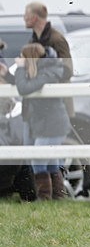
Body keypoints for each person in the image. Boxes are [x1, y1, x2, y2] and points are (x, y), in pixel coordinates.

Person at [14, 44, 72, 199]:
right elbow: (22, 84)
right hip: (41, 123)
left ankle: (45, 197)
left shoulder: (49, 72)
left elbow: (24, 88)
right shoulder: (39, 71)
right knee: (51, 161)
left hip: (53, 124)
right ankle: (57, 198)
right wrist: (7, 74)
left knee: (38, 159)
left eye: (22, 57)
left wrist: (19, 69)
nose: (19, 60)